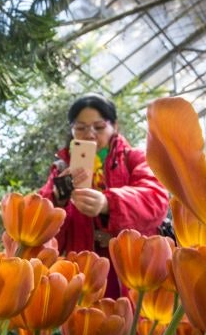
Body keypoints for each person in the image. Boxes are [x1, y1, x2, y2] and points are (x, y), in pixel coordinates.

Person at [39, 93, 169, 298]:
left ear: (114, 127)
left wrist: (109, 202)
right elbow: (47, 236)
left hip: (136, 272)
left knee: (138, 325)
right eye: (80, 128)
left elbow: (157, 199)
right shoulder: (62, 170)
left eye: (98, 127)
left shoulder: (133, 158)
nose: (90, 135)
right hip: (85, 277)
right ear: (72, 131)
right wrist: (58, 199)